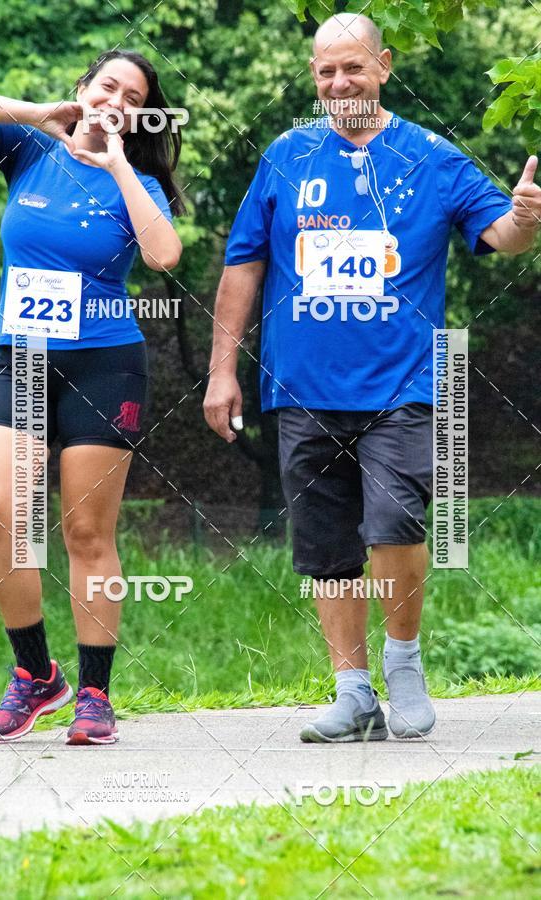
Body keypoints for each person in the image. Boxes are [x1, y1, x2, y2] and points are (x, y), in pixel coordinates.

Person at [204, 14, 540, 743]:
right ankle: (352, 693)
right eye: (325, 72)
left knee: (395, 522)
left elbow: (502, 238)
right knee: (325, 549)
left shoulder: (433, 158)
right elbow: (243, 266)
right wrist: (221, 372)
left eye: (351, 68)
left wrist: (525, 217)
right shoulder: (286, 156)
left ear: (383, 65)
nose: (337, 83)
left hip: (406, 384)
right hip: (301, 387)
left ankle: (405, 662)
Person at [0, 50, 183, 744]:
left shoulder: (133, 179)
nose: (116, 99)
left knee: (84, 532)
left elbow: (165, 254)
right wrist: (34, 113)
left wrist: (119, 166)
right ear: (82, 88)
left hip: (106, 363)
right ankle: (36, 676)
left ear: (138, 114)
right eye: (107, 84)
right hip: (22, 359)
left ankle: (96, 692)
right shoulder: (28, 150)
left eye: (132, 96)